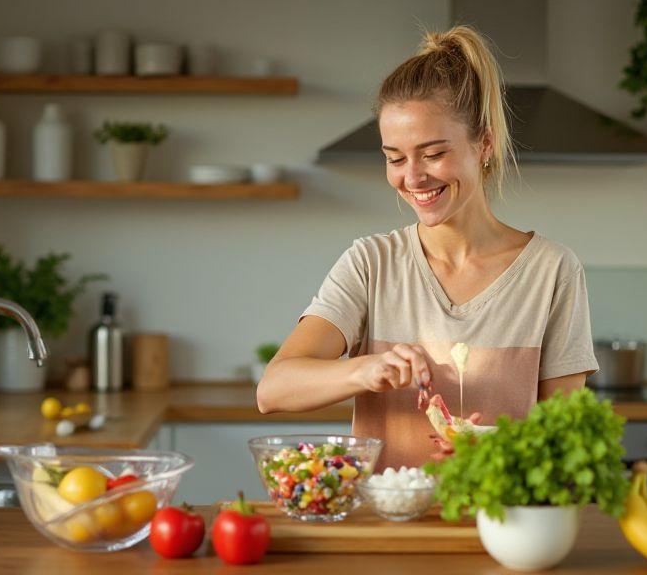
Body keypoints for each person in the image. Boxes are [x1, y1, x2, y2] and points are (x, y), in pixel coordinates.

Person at [256, 25, 599, 470]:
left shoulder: (552, 271)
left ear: (485, 144)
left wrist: (495, 452)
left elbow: (566, 438)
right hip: (387, 529)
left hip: (500, 529)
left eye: (434, 153)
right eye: (394, 158)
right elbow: (273, 389)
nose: (412, 178)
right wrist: (363, 369)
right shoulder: (370, 264)